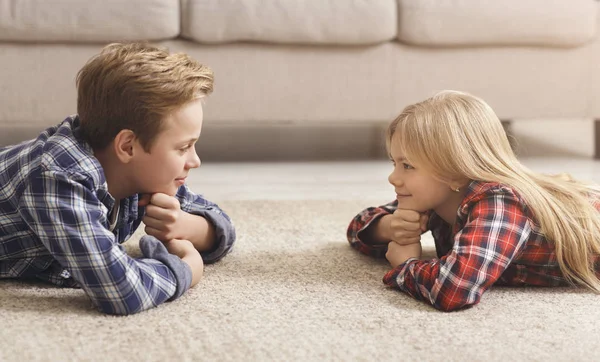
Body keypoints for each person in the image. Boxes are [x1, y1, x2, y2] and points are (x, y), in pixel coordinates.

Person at [0, 43, 236, 315]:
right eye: (183, 148)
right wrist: (186, 269)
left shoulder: (137, 172)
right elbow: (121, 290)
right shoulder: (58, 179)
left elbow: (223, 225)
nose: (195, 161)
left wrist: (186, 226)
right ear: (127, 146)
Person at [347, 90, 600, 311]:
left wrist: (405, 265)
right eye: (395, 163)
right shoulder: (437, 197)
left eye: (408, 166)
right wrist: (388, 228)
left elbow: (454, 289)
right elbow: (356, 228)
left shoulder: (500, 202)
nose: (394, 177)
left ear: (455, 171)